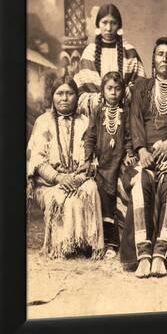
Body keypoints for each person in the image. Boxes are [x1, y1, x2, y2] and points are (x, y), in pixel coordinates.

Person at [119, 37, 167, 278]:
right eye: (160, 54)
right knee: (141, 182)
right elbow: (134, 121)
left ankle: (162, 254)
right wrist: (141, 150)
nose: (164, 58)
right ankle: (143, 255)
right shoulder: (142, 87)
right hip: (146, 154)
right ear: (154, 59)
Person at [27, 76, 104, 258]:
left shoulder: (85, 122)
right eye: (59, 93)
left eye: (69, 93)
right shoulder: (43, 122)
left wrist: (78, 178)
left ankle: (89, 243)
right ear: (52, 96)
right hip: (51, 183)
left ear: (77, 97)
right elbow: (37, 161)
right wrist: (60, 178)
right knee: (64, 196)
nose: (64, 98)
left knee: (91, 188)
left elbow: (92, 157)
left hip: (79, 178)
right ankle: (65, 245)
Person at [81, 72, 136, 259]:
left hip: (118, 162)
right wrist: (88, 159)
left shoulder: (126, 112)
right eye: (109, 88)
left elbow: (129, 136)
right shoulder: (97, 112)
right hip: (102, 164)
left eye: (117, 89)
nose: (113, 93)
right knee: (103, 201)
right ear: (102, 90)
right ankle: (101, 242)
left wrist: (129, 153)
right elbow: (90, 137)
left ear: (123, 91)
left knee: (117, 201)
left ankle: (115, 243)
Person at [74, 3, 145, 115]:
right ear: (98, 25)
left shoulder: (129, 51)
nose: (108, 28)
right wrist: (99, 100)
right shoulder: (89, 52)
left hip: (126, 113)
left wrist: (126, 93)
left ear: (119, 26)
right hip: (95, 114)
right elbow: (79, 89)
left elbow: (141, 86)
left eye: (113, 23)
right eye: (104, 22)